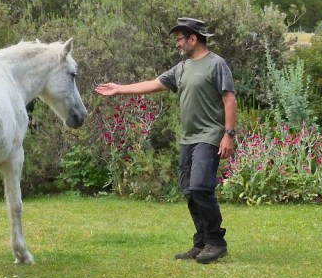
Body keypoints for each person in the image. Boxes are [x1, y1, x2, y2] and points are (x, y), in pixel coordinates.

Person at [94, 17, 236, 264]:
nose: (177, 44)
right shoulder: (181, 69)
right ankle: (202, 242)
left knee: (202, 186)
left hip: (210, 135)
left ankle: (216, 242)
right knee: (190, 191)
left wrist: (228, 134)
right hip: (188, 138)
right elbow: (152, 84)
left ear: (193, 38)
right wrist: (119, 88)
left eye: (180, 39)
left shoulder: (217, 64)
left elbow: (229, 99)